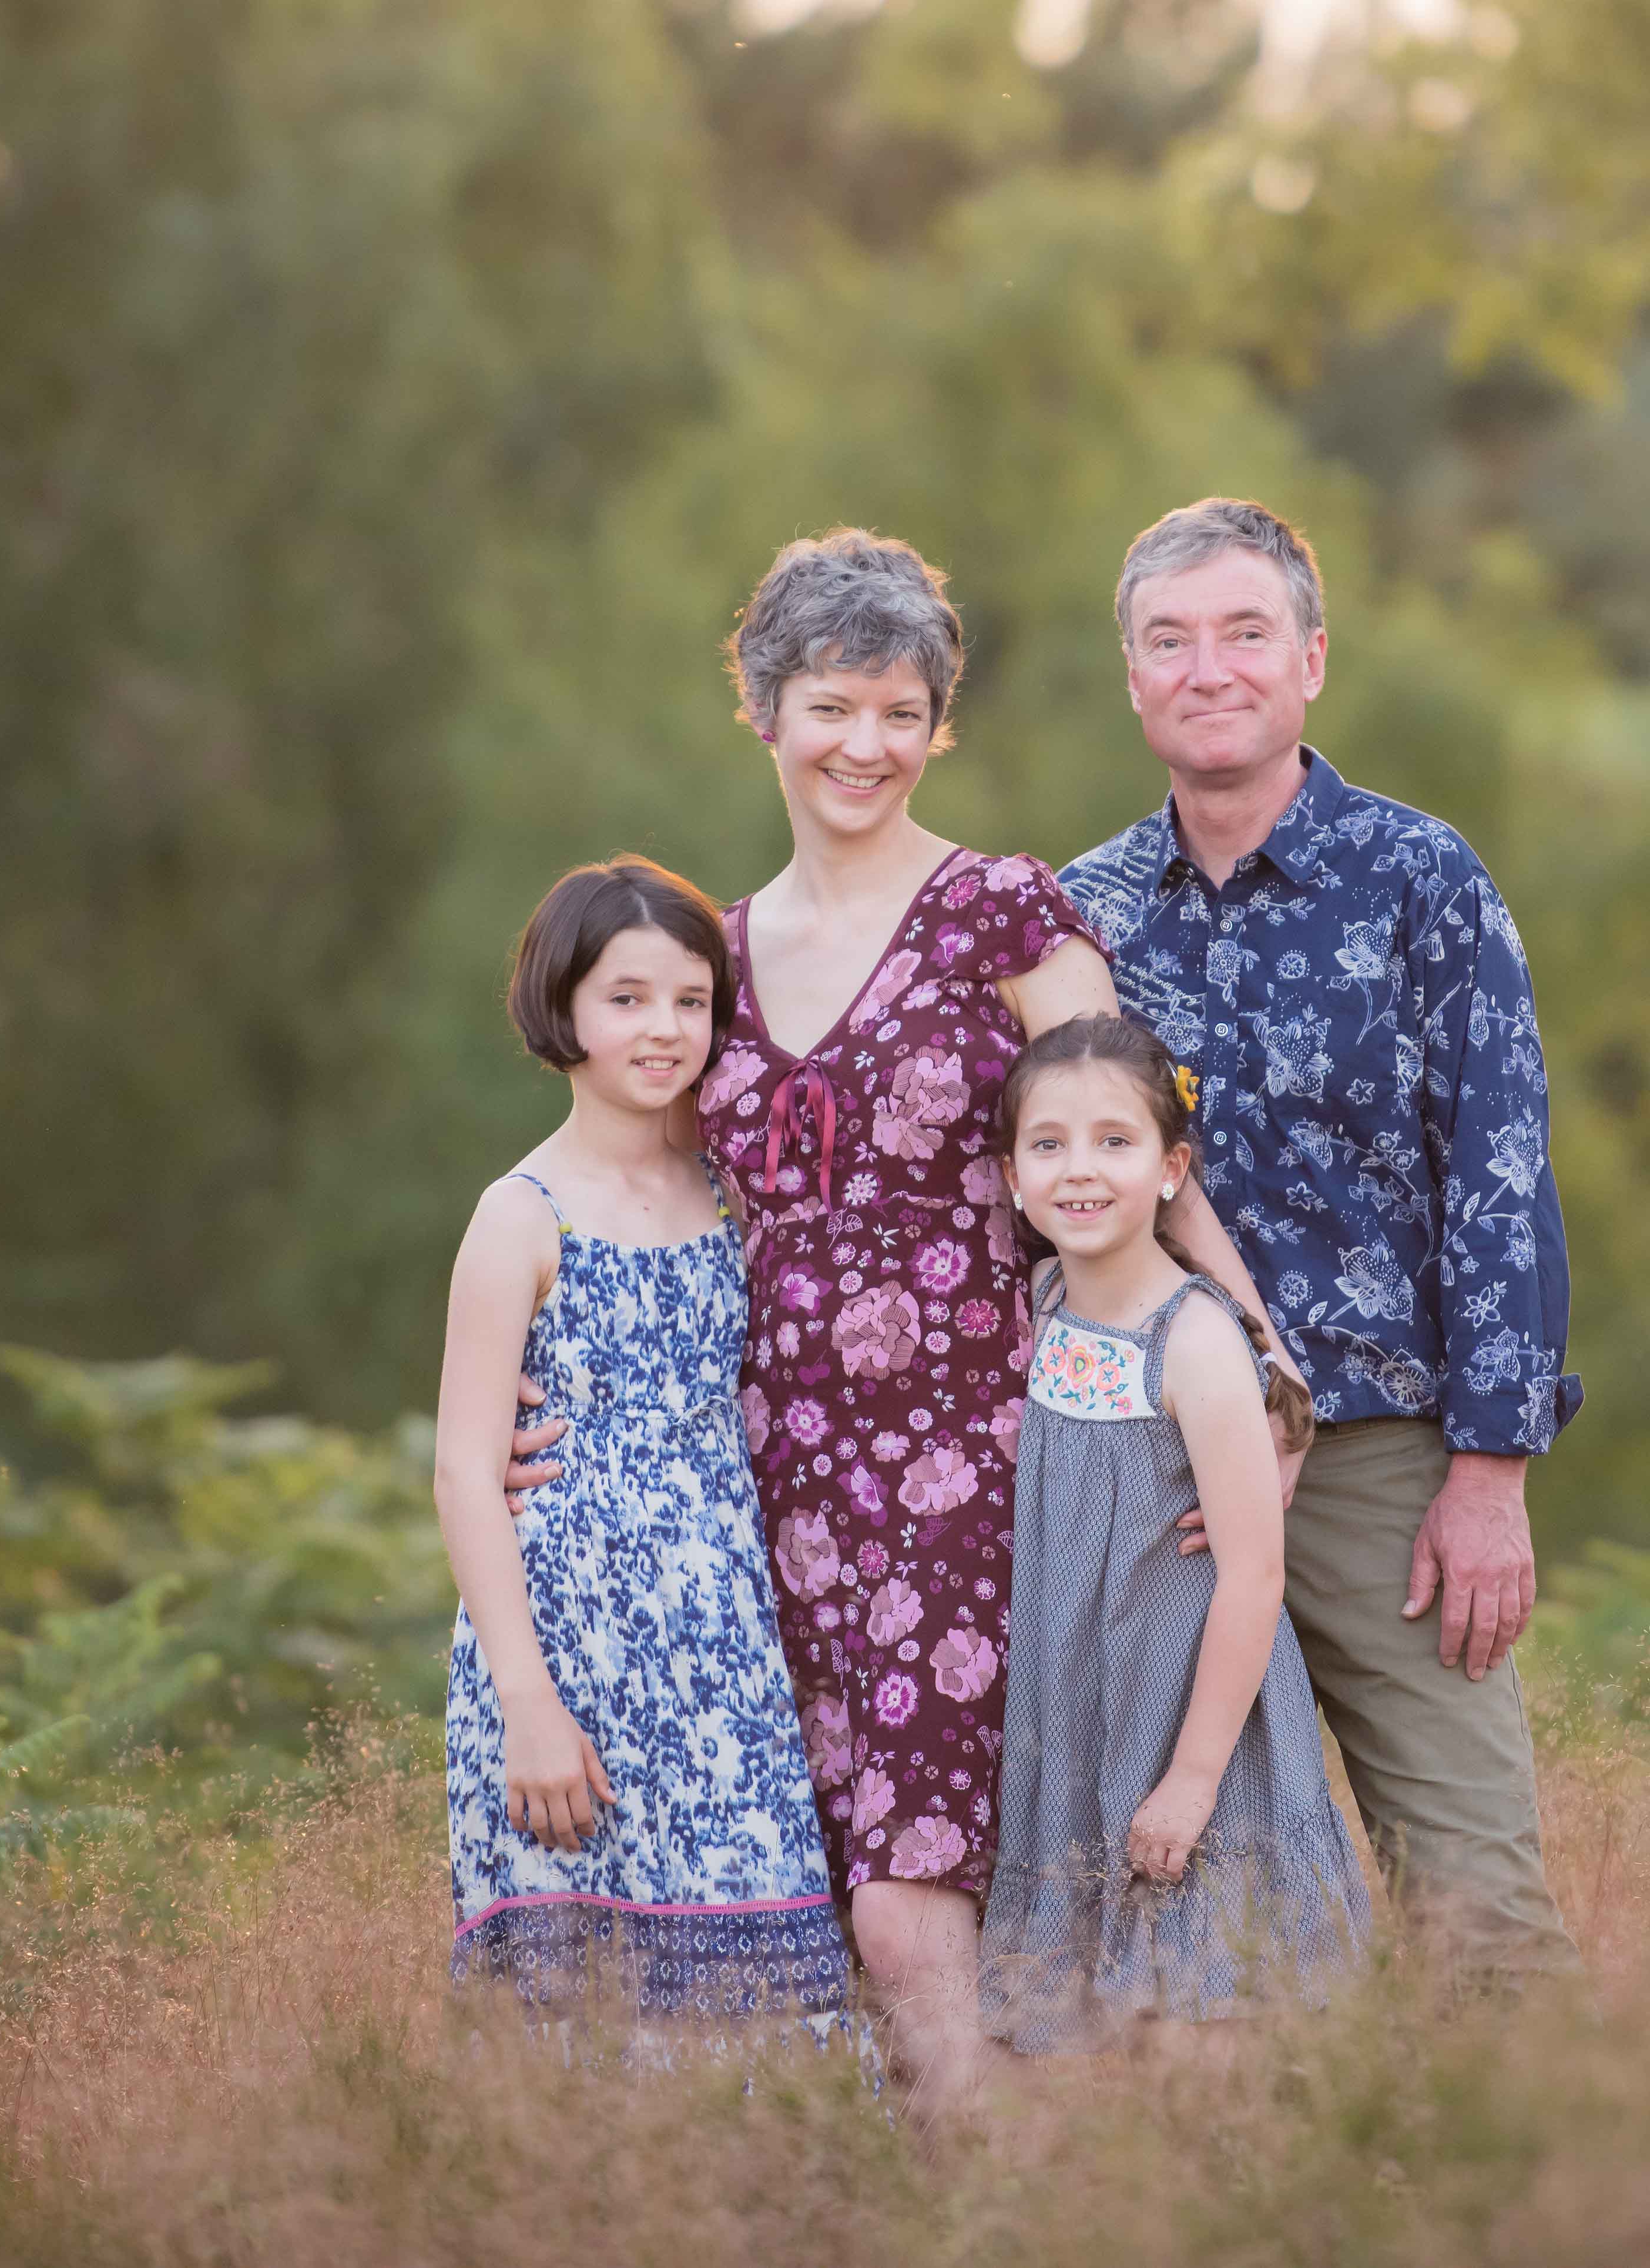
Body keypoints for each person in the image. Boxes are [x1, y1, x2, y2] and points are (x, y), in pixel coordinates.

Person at [668, 528, 1300, 2118]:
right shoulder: (715, 961)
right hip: (772, 1482)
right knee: (826, 1894)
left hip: (967, 1456)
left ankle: (985, 2201)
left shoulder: (999, 912)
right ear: (761, 710)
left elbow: (1131, 1129)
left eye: (900, 710)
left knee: (909, 1892)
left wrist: (1240, 1337)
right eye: (831, 705)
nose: (864, 745)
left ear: (939, 724)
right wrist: (551, 1401)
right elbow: (647, 1201)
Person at [1057, 498, 1586, 1984]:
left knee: (1477, 1898)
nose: (1207, 666)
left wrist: (1490, 1471)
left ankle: (1558, 2188)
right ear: (1132, 675)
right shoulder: (1078, 916)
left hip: (1375, 1463)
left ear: (1311, 659)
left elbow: (1501, 1180)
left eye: (1243, 632)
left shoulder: (1422, 879)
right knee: (1159, 1892)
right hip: (1148, 1463)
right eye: (1169, 638)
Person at [429, 857, 854, 2040]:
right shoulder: (521, 1212)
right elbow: (466, 1468)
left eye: (689, 998)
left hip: (723, 1648)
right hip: (567, 1647)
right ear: (561, 1004)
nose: (662, 1027)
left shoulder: (725, 1186)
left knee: (767, 1979)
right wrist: (528, 1703)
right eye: (626, 997)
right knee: (582, 2006)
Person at [978, 1012, 1370, 2056]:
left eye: (1116, 1141)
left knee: (1214, 2029)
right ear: (1011, 1177)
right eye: (1047, 1145)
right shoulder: (1047, 1299)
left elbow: (1252, 1576)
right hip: (1081, 1712)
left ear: (1169, 1167)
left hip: (1194, 1724)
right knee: (1094, 2044)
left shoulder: (1192, 1340)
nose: (1080, 1171)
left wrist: (1193, 1778)